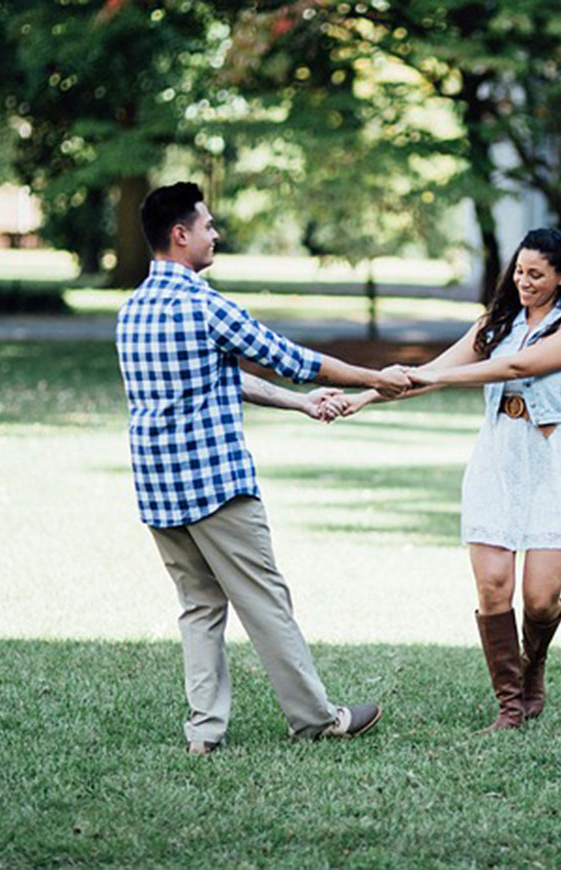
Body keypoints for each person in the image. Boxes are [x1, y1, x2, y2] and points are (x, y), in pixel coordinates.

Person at [115, 181, 411, 752]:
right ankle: (316, 718)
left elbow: (220, 376)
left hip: (158, 489)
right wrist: (377, 378)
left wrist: (299, 405)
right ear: (180, 236)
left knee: (199, 608)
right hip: (216, 487)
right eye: (207, 226)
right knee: (265, 602)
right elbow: (293, 359)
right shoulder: (203, 304)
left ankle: (205, 732)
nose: (214, 234)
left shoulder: (134, 311)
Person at [344, 228, 561, 731]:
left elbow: (518, 365)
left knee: (540, 599)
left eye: (536, 274)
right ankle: (511, 706)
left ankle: (533, 663)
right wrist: (365, 396)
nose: (523, 281)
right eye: (519, 271)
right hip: (498, 456)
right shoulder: (496, 322)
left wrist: (437, 377)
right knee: (493, 585)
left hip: (551, 459)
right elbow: (428, 372)